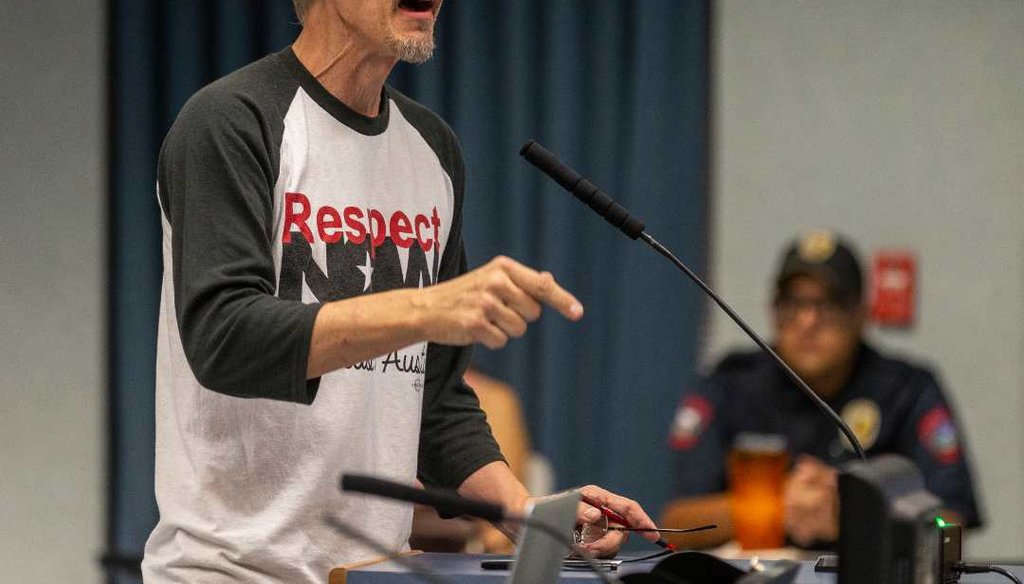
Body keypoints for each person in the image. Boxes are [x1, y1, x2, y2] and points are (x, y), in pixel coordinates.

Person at [141, 1, 657, 582]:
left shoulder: (431, 149)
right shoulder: (232, 120)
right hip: (230, 570)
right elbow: (224, 338)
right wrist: (424, 307)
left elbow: (431, 396)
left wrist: (527, 513)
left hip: (372, 571)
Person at [661, 229, 982, 549]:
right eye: (793, 303)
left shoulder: (907, 390)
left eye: (828, 303)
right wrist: (776, 506)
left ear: (860, 314)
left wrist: (859, 513)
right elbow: (676, 524)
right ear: (772, 310)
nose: (807, 321)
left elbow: (949, 527)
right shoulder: (731, 382)